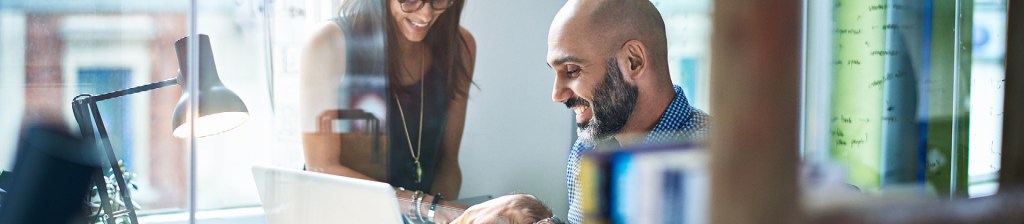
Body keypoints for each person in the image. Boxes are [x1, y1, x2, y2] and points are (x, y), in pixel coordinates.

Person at [452, 0, 708, 223]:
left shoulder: (717, 164)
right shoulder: (586, 151)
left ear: (633, 61)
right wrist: (537, 215)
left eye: (572, 71)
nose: (557, 95)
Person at [299, 0, 476, 205]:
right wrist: (427, 208)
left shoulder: (460, 47)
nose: (426, 14)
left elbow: (448, 164)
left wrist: (440, 215)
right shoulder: (327, 42)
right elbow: (322, 168)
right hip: (338, 211)